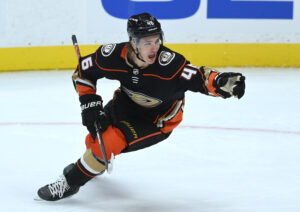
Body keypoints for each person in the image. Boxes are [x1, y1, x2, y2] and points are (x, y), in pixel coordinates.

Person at [37, 12, 245, 201]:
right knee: (94, 139)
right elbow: (83, 72)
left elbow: (200, 77)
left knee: (108, 142)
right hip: (125, 105)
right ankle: (95, 162)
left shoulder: (170, 64)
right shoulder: (112, 56)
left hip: (158, 120)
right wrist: (89, 103)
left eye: (157, 40)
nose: (155, 47)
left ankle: (70, 182)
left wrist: (221, 82)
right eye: (147, 43)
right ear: (133, 43)